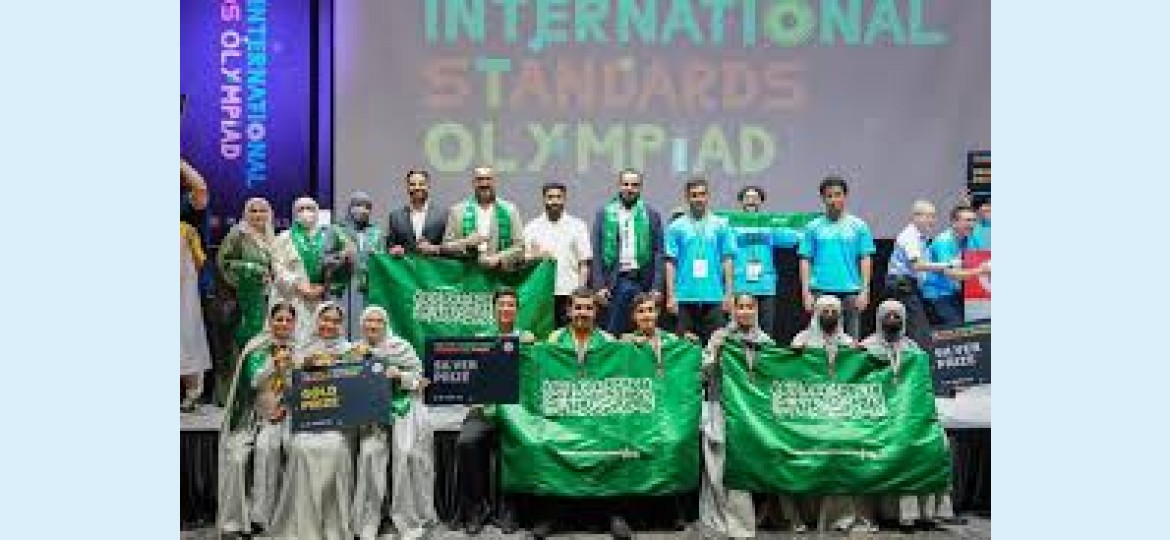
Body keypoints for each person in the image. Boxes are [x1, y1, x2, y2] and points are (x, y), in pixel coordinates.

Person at [531, 288, 622, 539]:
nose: (583, 312)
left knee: (615, 444)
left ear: (596, 312)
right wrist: (528, 345)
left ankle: (614, 514)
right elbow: (540, 374)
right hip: (562, 417)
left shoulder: (609, 341)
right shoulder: (554, 339)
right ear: (569, 310)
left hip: (599, 418)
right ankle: (552, 515)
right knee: (548, 444)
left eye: (588, 308)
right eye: (578, 307)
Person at [861, 300, 956, 532]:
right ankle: (892, 514)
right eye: (888, 316)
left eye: (897, 316)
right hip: (878, 417)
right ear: (879, 319)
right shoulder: (866, 347)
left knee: (937, 443)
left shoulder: (914, 349)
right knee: (898, 443)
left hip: (909, 415)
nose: (893, 320)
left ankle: (925, 513)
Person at [268, 302, 357, 540]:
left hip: (337, 420)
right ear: (317, 320)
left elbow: (357, 388)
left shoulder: (350, 351)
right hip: (305, 418)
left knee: (336, 448)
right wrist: (303, 367)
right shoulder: (301, 349)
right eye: (325, 319)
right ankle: (303, 524)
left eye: (335, 321)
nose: (329, 325)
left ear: (341, 325)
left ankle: (333, 525)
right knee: (301, 449)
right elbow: (288, 387)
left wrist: (336, 368)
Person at [349, 306, 437, 540]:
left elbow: (421, 381)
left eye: (378, 321)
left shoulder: (401, 347)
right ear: (362, 324)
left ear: (386, 324)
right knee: (370, 454)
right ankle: (368, 520)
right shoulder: (354, 351)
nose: (373, 325)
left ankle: (408, 517)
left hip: (402, 408)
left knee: (405, 452)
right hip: (371, 415)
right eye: (369, 321)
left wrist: (399, 375)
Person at [790, 295, 875, 533]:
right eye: (825, 311)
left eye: (834, 312)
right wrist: (795, 355)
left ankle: (842, 516)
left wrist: (861, 356)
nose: (829, 316)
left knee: (848, 444)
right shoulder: (801, 340)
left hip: (841, 414)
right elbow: (789, 375)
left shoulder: (848, 342)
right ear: (816, 314)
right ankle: (803, 516)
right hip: (808, 414)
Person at [455, 288, 535, 535]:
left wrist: (530, 347)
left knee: (520, 442)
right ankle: (476, 508)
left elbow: (533, 377)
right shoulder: (480, 338)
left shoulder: (528, 339)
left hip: (516, 412)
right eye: (502, 304)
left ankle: (510, 509)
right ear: (494, 308)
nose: (506, 309)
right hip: (484, 408)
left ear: (517, 310)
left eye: (511, 305)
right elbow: (471, 377)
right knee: (467, 442)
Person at [698, 294, 776, 539]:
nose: (744, 311)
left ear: (756, 309)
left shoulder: (766, 342)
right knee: (717, 467)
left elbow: (773, 378)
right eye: (740, 307)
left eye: (749, 307)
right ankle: (718, 519)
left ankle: (742, 522)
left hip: (751, 413)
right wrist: (717, 353)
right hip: (720, 406)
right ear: (732, 310)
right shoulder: (720, 337)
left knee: (742, 468)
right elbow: (704, 373)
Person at [217, 302, 297, 536]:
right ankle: (251, 518)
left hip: (290, 414)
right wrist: (275, 363)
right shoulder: (257, 348)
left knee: (279, 446)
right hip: (257, 415)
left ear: (295, 323)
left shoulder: (301, 349)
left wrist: (286, 407)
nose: (283, 324)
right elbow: (252, 383)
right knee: (248, 453)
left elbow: (303, 387)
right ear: (270, 322)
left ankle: (276, 516)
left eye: (288, 320)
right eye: (279, 319)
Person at [797, 175, 876, 339]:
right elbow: (805, 260)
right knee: (818, 341)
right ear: (823, 199)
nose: (834, 200)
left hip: (850, 291)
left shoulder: (859, 226)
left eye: (838, 195)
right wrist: (806, 293)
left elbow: (865, 259)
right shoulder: (812, 227)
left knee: (851, 342)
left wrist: (865, 291)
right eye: (829, 196)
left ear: (845, 196)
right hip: (820, 291)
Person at [591, 168, 665, 335]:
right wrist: (599, 286)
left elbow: (658, 253)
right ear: (619, 186)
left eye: (634, 185)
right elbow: (596, 251)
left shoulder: (651, 215)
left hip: (644, 280)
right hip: (615, 281)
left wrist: (657, 287)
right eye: (626, 184)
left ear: (640, 188)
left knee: (643, 330)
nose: (629, 188)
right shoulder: (605, 213)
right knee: (614, 328)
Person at [271, 197, 354, 344]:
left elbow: (342, 267)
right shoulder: (284, 238)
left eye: (310, 208)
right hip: (294, 297)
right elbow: (277, 267)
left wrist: (325, 286)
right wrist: (299, 286)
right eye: (301, 209)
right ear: (294, 213)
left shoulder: (330, 237)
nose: (306, 212)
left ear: (317, 212)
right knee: (295, 339)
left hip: (323, 298)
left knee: (322, 339)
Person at [665, 177, 737, 344]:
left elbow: (727, 260)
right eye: (694, 195)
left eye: (702, 194)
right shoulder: (676, 227)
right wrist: (671, 296)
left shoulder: (721, 224)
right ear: (687, 197)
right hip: (684, 296)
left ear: (708, 196)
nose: (699, 199)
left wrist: (729, 294)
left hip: (714, 295)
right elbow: (670, 263)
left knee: (716, 346)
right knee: (684, 347)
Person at [728, 186, 802, 338]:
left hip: (765, 285)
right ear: (741, 202)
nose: (751, 201)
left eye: (755, 198)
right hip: (741, 284)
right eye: (747, 198)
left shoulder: (770, 226)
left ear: (761, 202)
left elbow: (793, 238)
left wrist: (806, 225)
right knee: (738, 331)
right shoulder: (731, 226)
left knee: (766, 331)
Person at [523, 182, 592, 326]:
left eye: (558, 197)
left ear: (564, 199)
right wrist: (535, 256)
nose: (554, 201)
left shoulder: (578, 226)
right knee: (543, 335)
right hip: (541, 293)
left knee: (567, 335)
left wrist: (580, 293)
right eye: (550, 197)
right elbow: (524, 262)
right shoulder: (531, 227)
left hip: (569, 292)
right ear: (543, 199)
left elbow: (584, 264)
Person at [885, 200, 951, 348]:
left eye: (934, 216)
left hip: (907, 284)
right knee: (918, 330)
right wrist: (947, 265)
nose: (933, 220)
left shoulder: (921, 237)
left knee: (913, 328)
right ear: (916, 217)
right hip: (901, 284)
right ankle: (918, 361)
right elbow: (918, 265)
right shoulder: (910, 236)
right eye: (928, 216)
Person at [217, 197, 276, 355]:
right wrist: (252, 268)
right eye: (253, 211)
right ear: (246, 213)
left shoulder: (270, 234)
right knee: (247, 336)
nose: (258, 215)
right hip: (244, 296)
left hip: (267, 295)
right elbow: (224, 262)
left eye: (262, 211)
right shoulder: (238, 234)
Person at [441, 165, 525, 269]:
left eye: (488, 179)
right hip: (467, 274)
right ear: (473, 183)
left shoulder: (510, 210)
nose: (484, 183)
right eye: (479, 179)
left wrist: (498, 258)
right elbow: (445, 248)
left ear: (494, 182)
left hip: (500, 274)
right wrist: (466, 242)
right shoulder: (457, 211)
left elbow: (520, 247)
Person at [921, 205, 991, 327]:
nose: (972, 224)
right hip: (937, 294)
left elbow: (978, 260)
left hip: (954, 292)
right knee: (957, 328)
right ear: (954, 223)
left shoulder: (969, 239)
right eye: (967, 220)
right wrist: (981, 270)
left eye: (974, 220)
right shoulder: (943, 241)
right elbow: (951, 274)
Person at [338, 191, 385, 339]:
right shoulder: (337, 230)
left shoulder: (377, 232)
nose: (362, 210)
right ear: (350, 207)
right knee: (345, 325)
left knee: (368, 324)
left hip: (369, 287)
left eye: (367, 207)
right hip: (345, 287)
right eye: (358, 205)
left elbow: (384, 261)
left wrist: (381, 256)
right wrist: (341, 257)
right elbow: (324, 260)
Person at [181, 220, 212, 411]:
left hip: (184, 297)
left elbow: (200, 261)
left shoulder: (187, 230)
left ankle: (192, 393)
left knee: (187, 340)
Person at [386, 169, 447, 256]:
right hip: (405, 265)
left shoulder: (443, 214)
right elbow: (389, 247)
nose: (417, 187)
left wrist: (434, 249)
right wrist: (393, 250)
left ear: (428, 186)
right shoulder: (395, 217)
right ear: (407, 187)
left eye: (421, 184)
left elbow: (449, 247)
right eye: (412, 184)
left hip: (434, 264)